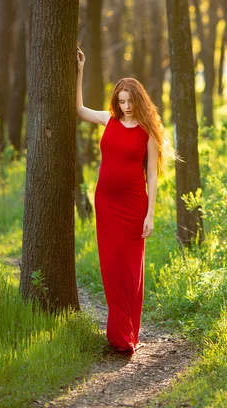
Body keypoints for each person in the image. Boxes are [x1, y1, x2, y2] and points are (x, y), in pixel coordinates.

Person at [76, 46, 164, 354]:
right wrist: (80, 71)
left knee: (130, 269)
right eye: (121, 101)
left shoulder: (147, 131)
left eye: (129, 101)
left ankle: (128, 333)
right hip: (106, 204)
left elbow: (152, 175)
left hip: (133, 206)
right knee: (111, 266)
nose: (125, 106)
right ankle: (119, 334)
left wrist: (150, 215)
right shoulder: (108, 119)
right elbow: (80, 110)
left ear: (138, 100)